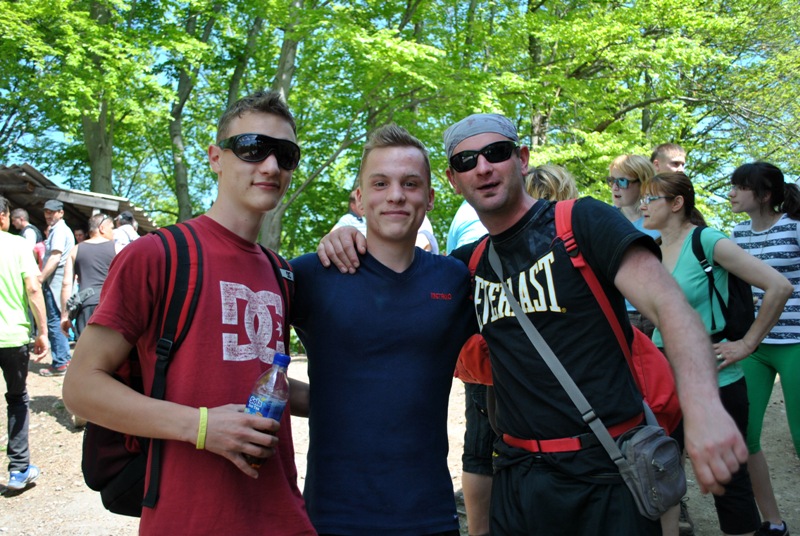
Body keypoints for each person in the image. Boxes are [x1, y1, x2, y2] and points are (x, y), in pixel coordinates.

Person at [319, 113, 750, 535]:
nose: (483, 167)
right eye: (467, 161)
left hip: (606, 473)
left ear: (521, 158)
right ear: (453, 180)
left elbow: (672, 308)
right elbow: (397, 280)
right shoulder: (465, 266)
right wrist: (348, 238)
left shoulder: (581, 221)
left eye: (496, 152)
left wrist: (704, 408)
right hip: (518, 481)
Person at [62, 90, 316, 535]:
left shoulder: (282, 273)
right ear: (216, 157)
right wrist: (201, 427)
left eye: (286, 155)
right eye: (252, 148)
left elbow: (254, 375)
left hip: (283, 516)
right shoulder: (158, 255)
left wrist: (343, 401)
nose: (271, 166)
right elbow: (81, 387)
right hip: (189, 518)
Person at [291, 124, 474, 535]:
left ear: (429, 198)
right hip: (332, 516)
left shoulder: (455, 280)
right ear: (358, 198)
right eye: (380, 183)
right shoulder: (311, 275)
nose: (395, 195)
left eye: (410, 183)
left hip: (430, 515)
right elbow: (241, 360)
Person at [641, 171, 792, 536]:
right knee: (661, 472)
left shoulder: (706, 240)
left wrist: (748, 344)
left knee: (728, 481)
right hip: (665, 381)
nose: (642, 206)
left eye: (650, 199)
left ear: (677, 204)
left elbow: (778, 286)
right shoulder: (650, 250)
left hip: (717, 380)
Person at [728, 161, 799, 536]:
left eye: (741, 187)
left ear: (765, 194)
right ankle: (773, 523)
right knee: (746, 435)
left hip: (796, 343)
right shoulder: (737, 235)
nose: (732, 193)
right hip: (753, 345)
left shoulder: (795, 228)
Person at [0, 196, 50, 491]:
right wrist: (43, 330)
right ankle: (19, 470)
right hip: (12, 335)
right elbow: (32, 288)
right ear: (3, 217)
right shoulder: (18, 245)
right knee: (17, 399)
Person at [607, 154, 661, 338]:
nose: (615, 187)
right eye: (611, 181)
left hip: (656, 313)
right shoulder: (605, 220)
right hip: (619, 313)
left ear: (643, 183)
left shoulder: (662, 220)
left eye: (622, 181)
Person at [60, 213, 118, 338]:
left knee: (86, 348)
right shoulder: (117, 248)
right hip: (111, 306)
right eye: (112, 228)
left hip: (86, 306)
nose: (113, 232)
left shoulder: (75, 250)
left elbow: (66, 284)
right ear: (102, 228)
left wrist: (65, 316)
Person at [38, 199, 75, 377]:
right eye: (46, 211)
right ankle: (64, 359)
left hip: (56, 283)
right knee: (59, 320)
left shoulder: (59, 230)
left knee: (55, 322)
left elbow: (55, 257)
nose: (48, 215)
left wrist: (40, 278)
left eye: (52, 212)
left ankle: (60, 363)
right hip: (58, 282)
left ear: (61, 213)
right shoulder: (59, 229)